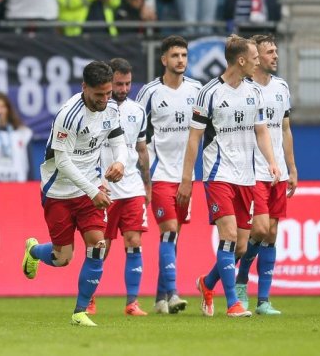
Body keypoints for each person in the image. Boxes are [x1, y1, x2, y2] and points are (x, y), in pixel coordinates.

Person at [177, 34, 280, 318]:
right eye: (255, 57)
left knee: (245, 244)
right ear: (241, 60)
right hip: (218, 173)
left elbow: (261, 131)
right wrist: (188, 178)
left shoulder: (253, 93)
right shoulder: (209, 93)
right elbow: (194, 138)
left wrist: (272, 162)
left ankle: (207, 283)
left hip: (247, 176)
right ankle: (233, 303)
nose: (258, 61)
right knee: (230, 236)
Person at [21, 61, 128, 327]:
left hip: (88, 190)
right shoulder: (68, 116)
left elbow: (118, 141)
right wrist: (93, 191)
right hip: (58, 191)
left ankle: (80, 312)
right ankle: (34, 251)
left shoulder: (111, 108)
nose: (104, 100)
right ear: (84, 88)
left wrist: (120, 162)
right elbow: (63, 162)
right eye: (98, 95)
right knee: (62, 258)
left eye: (107, 93)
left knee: (97, 245)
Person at [135, 35, 200, 314]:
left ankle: (160, 299)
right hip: (159, 172)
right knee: (169, 232)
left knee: (172, 239)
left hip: (186, 176)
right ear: (164, 60)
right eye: (175, 56)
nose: (180, 60)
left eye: (184, 55)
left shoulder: (197, 90)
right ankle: (173, 293)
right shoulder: (150, 92)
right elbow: (134, 128)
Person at [234, 34, 297, 315]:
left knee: (271, 233)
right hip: (252, 171)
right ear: (255, 56)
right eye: (269, 52)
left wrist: (291, 168)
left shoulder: (282, 87)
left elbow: (284, 129)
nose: (275, 56)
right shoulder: (243, 90)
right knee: (257, 230)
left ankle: (263, 301)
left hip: (278, 171)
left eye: (275, 51)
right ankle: (239, 282)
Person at [90, 58, 152, 316]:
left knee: (134, 240)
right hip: (103, 188)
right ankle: (89, 298)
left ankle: (132, 302)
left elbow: (141, 149)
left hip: (132, 187)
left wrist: (147, 184)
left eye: (127, 84)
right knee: (100, 246)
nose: (124, 88)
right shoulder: (95, 108)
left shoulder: (138, 111)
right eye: (119, 83)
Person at [0, 91, 32, 182]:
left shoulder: (22, 132)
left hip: (18, 183)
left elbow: (28, 163)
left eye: (2, 107)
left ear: (8, 109)